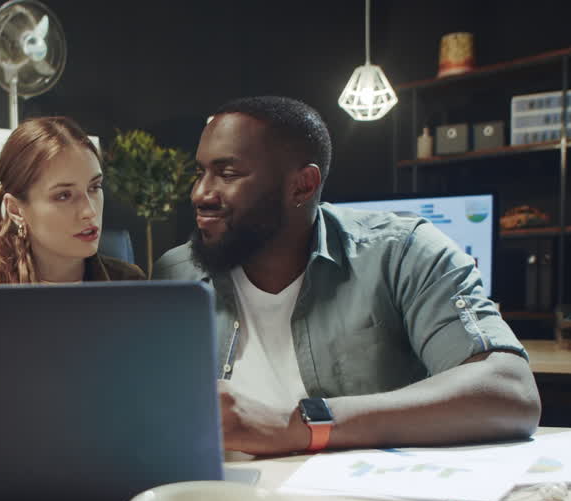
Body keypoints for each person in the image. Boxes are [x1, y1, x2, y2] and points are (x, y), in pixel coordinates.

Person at [155, 96, 541, 455]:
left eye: (228, 173)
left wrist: (300, 424)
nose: (200, 193)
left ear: (302, 185)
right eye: (201, 172)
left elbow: (510, 390)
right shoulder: (177, 273)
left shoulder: (402, 252)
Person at [0, 116, 145, 285]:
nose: (90, 211)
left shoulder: (130, 281)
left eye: (94, 187)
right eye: (63, 196)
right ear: (15, 210)